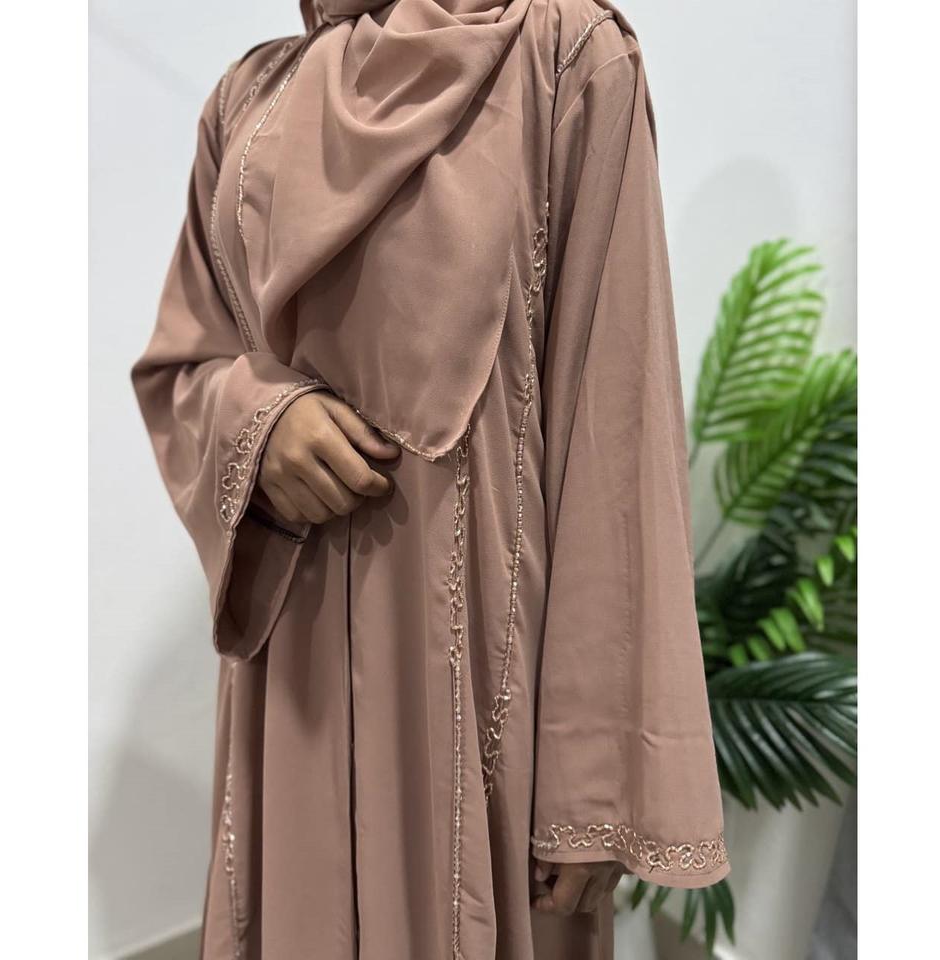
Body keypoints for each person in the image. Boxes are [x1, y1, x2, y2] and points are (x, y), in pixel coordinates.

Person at [132, 1, 729, 957]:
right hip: (294, 676)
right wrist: (257, 421)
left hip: (486, 685)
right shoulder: (250, 98)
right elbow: (184, 364)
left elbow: (618, 421)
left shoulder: (565, 56)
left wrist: (592, 777)